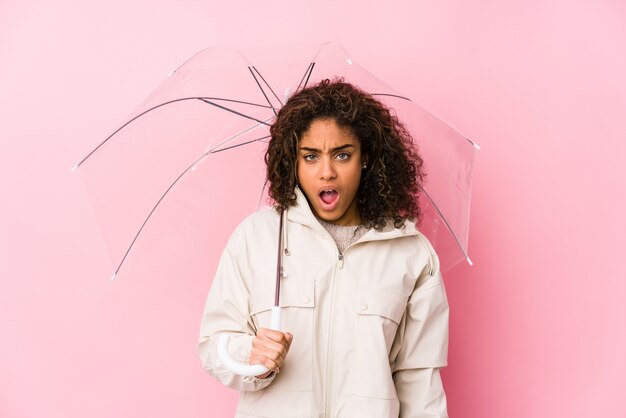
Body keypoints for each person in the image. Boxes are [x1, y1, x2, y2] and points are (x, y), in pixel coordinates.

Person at [197, 79, 449, 418]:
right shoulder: (256, 238)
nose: (327, 172)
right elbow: (214, 344)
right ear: (294, 161)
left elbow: (420, 382)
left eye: (342, 155)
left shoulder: (411, 253)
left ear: (366, 158)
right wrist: (251, 355)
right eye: (311, 156)